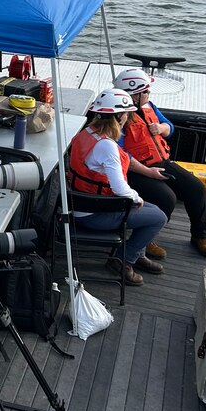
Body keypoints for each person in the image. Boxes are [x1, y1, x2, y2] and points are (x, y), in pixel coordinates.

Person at [68, 89, 168, 287]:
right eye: (127, 113)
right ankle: (123, 260)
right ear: (119, 116)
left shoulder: (86, 133)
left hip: (80, 204)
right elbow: (120, 188)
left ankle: (137, 254)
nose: (128, 117)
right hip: (94, 213)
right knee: (158, 218)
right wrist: (136, 198)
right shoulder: (107, 146)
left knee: (153, 210)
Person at [114, 68, 206, 259]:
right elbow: (120, 154)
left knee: (196, 188)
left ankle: (201, 236)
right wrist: (148, 172)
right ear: (134, 95)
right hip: (135, 170)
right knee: (166, 197)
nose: (148, 93)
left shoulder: (149, 106)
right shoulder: (119, 116)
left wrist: (161, 127)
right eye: (145, 91)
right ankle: (146, 238)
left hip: (161, 161)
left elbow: (170, 128)